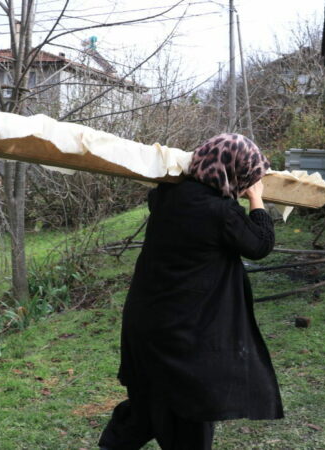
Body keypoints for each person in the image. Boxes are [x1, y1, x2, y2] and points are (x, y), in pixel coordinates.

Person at [98, 133, 283, 450]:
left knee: (147, 403)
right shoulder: (222, 214)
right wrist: (256, 199)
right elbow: (260, 245)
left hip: (144, 325)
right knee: (189, 416)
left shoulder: (166, 197)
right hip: (184, 335)